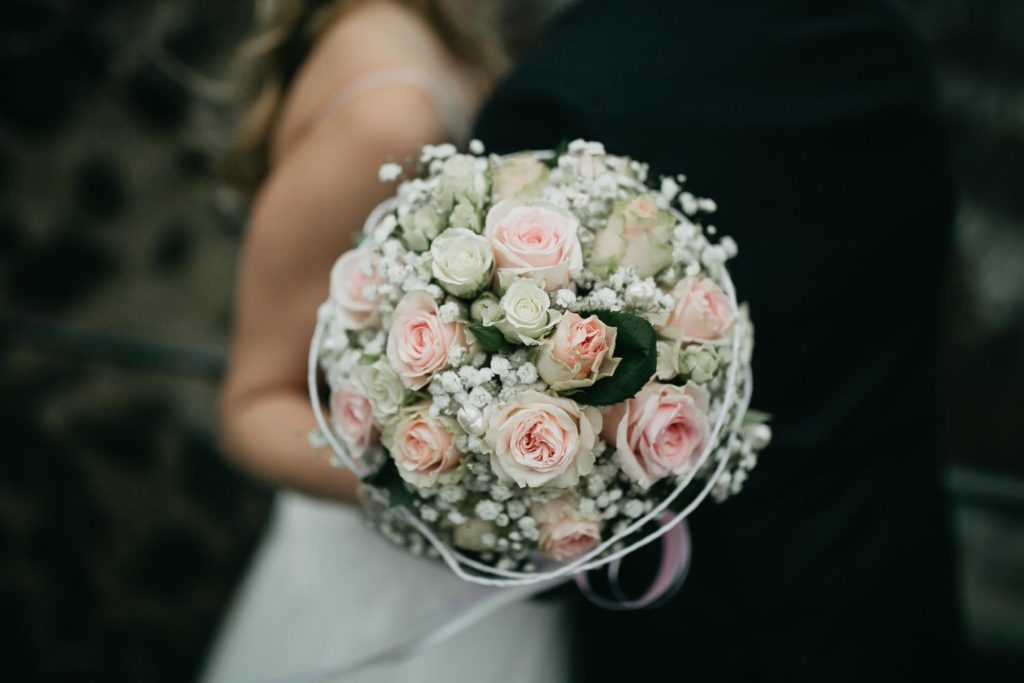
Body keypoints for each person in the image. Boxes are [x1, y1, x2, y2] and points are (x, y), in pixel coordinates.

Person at [473, 0, 964, 681]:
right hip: (898, 594)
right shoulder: (877, 34)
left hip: (696, 633)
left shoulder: (567, 94)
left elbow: (505, 440)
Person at [203, 2, 568, 681]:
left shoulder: (449, 38)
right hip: (397, 602)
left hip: (480, 586)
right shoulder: (389, 113)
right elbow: (252, 406)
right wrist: (469, 491)